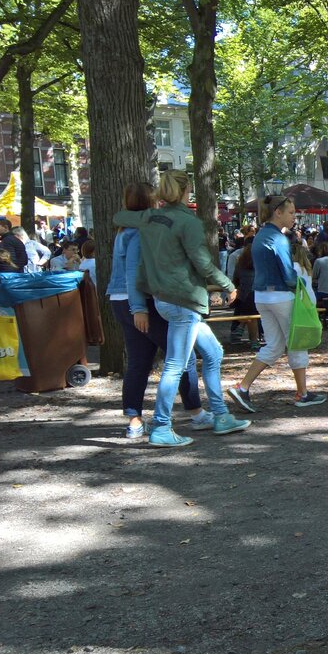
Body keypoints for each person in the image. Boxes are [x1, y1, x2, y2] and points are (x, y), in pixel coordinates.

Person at [113, 170, 250, 447]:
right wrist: (227, 284)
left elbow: (119, 217)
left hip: (168, 301)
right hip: (182, 301)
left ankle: (221, 416)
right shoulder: (187, 222)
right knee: (175, 365)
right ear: (187, 190)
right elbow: (201, 262)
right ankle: (162, 426)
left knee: (213, 352)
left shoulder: (151, 218)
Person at [106, 181, 209, 439]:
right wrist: (139, 307)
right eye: (157, 199)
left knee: (139, 362)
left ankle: (134, 421)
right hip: (139, 302)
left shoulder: (125, 230)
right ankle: (195, 413)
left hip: (123, 301)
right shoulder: (141, 231)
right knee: (181, 356)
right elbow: (133, 271)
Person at [228, 193, 328, 411]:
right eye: (291, 213)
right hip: (281, 296)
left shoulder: (260, 236)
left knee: (274, 345)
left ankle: (243, 387)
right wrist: (300, 282)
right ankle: (302, 394)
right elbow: (288, 275)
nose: (295, 217)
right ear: (278, 212)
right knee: (297, 342)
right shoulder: (279, 239)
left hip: (261, 296)